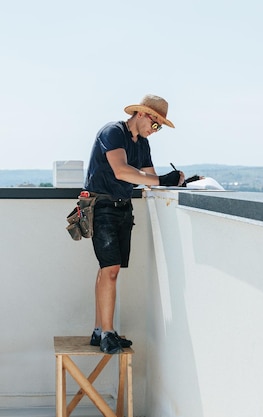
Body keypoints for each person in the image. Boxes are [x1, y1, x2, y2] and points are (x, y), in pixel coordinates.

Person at [83, 94, 185, 354]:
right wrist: (162, 180)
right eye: (155, 124)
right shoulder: (113, 132)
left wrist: (175, 180)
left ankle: (100, 331)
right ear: (141, 114)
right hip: (102, 205)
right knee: (112, 268)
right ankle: (107, 332)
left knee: (109, 269)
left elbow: (150, 177)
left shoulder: (142, 145)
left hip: (123, 207)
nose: (156, 130)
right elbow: (122, 171)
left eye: (159, 127)